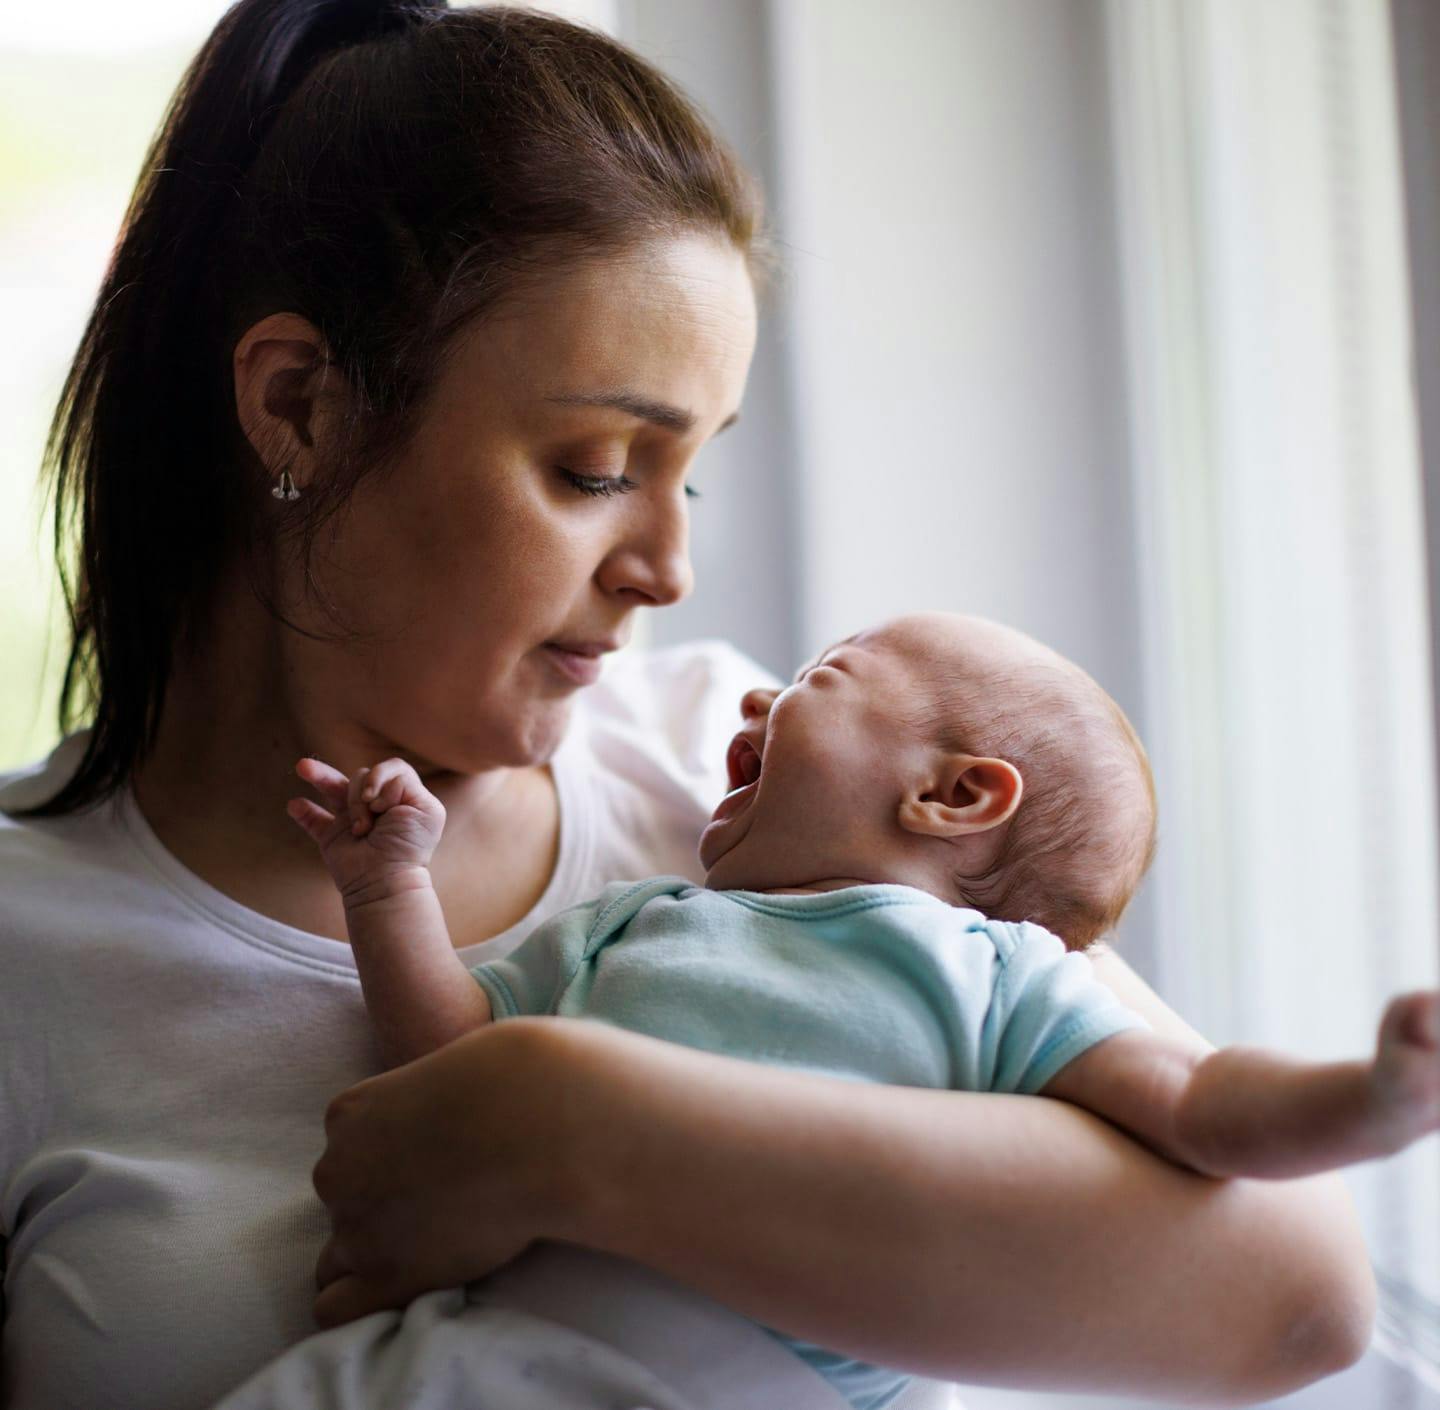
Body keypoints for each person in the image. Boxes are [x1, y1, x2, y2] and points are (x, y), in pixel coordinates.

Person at [0, 2, 1378, 1409]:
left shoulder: (763, 792)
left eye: (692, 472)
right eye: (598, 466)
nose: (671, 568)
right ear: (300, 404)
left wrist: (563, 1128)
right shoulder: (24, 943)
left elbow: (1299, 1295)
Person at [251, 610, 1438, 1410]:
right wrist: (388, 887)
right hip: (494, 1356)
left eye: (821, 681)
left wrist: (1373, 1098)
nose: (759, 697)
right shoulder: (637, 920)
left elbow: (1202, 1108)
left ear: (953, 794)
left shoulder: (995, 971)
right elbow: (447, 1072)